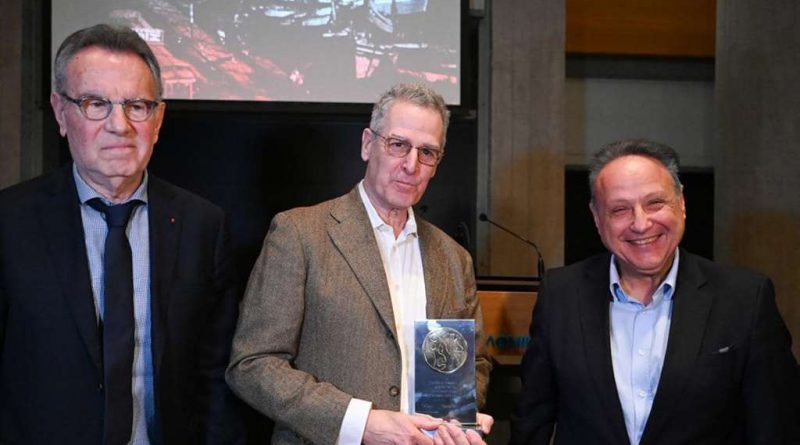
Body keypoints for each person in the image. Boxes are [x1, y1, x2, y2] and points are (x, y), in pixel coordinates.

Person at [0, 24, 244, 444]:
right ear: (60, 113)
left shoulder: (202, 226)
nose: (120, 125)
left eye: (137, 106)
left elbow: (217, 379)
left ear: (158, 119)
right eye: (96, 104)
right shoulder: (10, 223)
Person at [226, 83, 493, 445]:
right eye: (398, 145)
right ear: (368, 144)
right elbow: (252, 364)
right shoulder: (300, 234)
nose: (411, 165)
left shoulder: (453, 258)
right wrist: (360, 423)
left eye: (427, 152)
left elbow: (474, 363)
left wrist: (457, 417)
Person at [510, 139, 800, 445]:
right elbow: (531, 422)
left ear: (681, 203)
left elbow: (777, 427)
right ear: (597, 218)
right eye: (620, 209)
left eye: (655, 203)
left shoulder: (745, 299)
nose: (640, 223)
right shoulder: (560, 296)